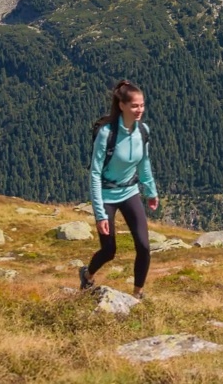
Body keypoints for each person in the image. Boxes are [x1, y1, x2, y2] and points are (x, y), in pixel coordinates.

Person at [78, 79, 159, 299]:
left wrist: (150, 191)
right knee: (109, 250)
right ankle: (87, 275)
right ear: (121, 105)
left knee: (143, 246)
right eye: (135, 105)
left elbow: (144, 163)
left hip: (130, 191)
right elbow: (94, 173)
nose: (140, 110)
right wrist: (100, 213)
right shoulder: (106, 133)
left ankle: (137, 295)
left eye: (142, 105)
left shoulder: (143, 130)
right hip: (106, 195)